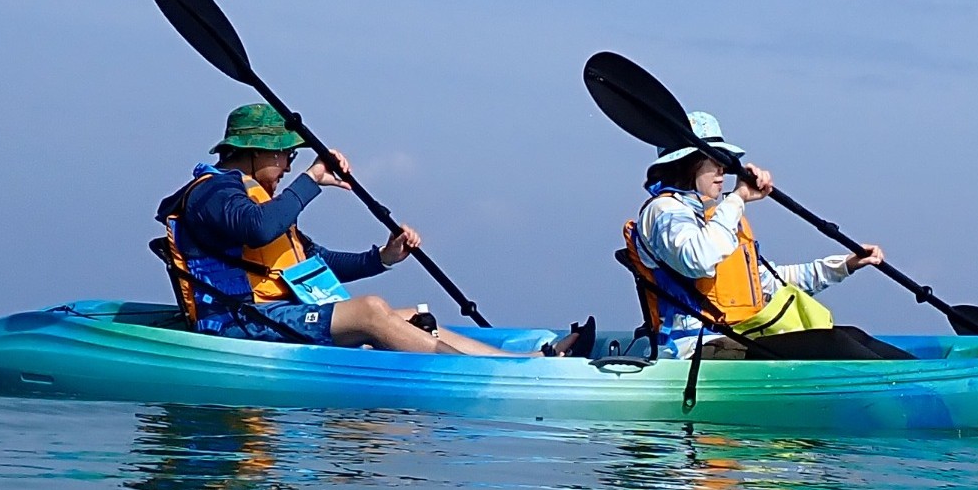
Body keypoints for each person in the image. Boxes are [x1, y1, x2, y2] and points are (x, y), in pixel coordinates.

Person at [158, 104, 556, 356]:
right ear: (257, 151)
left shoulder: (259, 201)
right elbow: (260, 229)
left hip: (280, 313)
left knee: (416, 316)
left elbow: (314, 264)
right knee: (370, 311)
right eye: (286, 156)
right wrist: (312, 180)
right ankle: (481, 379)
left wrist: (381, 259)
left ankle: (521, 364)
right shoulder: (213, 193)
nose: (288, 167)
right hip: (239, 322)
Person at [619, 112, 910, 361]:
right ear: (686, 163)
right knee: (833, 345)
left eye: (726, 160)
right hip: (692, 349)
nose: (723, 168)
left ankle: (929, 378)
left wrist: (843, 266)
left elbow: (769, 283)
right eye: (715, 160)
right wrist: (738, 199)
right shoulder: (664, 211)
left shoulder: (716, 217)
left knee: (851, 334)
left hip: (738, 334)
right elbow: (699, 259)